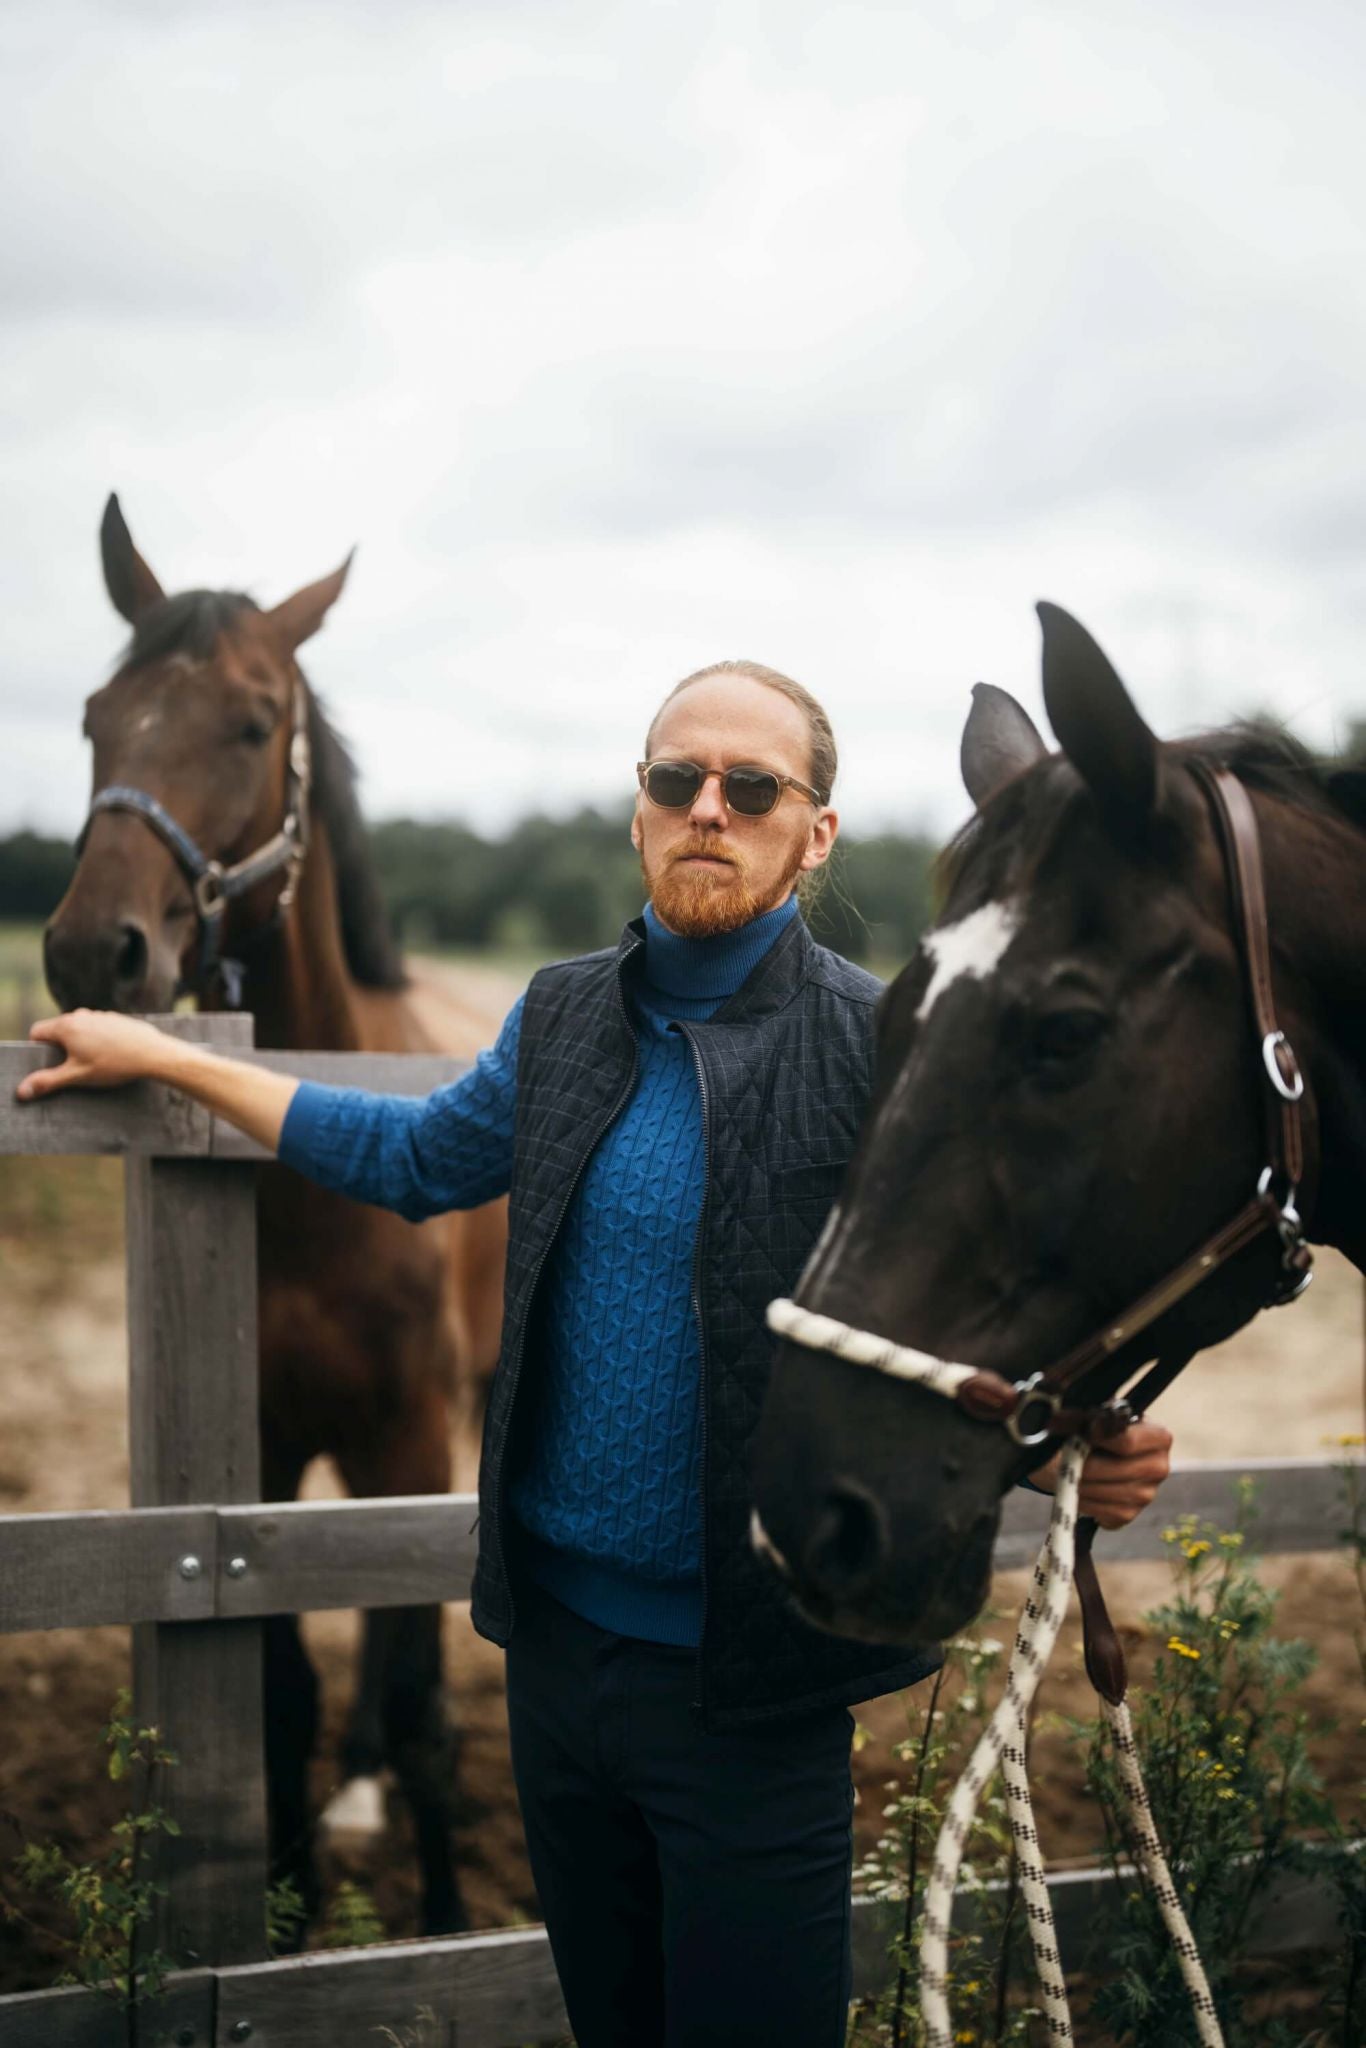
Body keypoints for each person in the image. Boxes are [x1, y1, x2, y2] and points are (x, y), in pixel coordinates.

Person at [17, 659, 1173, 2047]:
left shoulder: (874, 1045)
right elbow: (410, 1150)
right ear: (636, 810)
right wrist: (173, 1057)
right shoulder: (565, 1014)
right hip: (553, 1668)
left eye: (751, 789)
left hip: (748, 1687)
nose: (707, 808)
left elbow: (985, 1299)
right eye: (674, 778)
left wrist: (1067, 1448)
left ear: (812, 837)